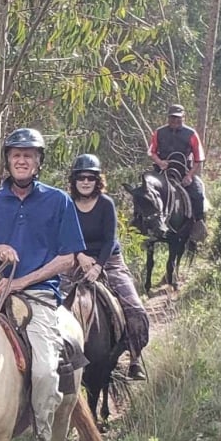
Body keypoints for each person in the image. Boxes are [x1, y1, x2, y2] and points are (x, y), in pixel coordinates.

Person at [0, 128, 86, 441]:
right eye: (16, 154)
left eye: (28, 155)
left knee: (45, 371)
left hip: (39, 296)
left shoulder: (58, 201)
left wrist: (21, 281)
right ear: (7, 160)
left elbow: (67, 258)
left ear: (38, 162)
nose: (21, 160)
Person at [66, 154, 150, 380]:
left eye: (90, 177)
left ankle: (134, 358)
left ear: (97, 180)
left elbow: (109, 239)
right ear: (74, 180)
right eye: (81, 177)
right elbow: (63, 235)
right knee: (54, 302)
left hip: (108, 260)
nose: (85, 182)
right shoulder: (67, 204)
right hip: (75, 259)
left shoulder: (106, 204)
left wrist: (98, 267)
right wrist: (79, 255)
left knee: (134, 307)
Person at [148, 103, 206, 231]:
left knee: (198, 194)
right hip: (162, 172)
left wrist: (189, 175)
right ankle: (139, 223)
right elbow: (151, 152)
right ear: (168, 117)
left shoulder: (191, 134)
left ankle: (198, 225)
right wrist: (160, 162)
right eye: (172, 117)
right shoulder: (159, 132)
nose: (175, 120)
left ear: (183, 117)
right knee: (143, 191)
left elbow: (198, 158)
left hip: (183, 172)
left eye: (178, 118)